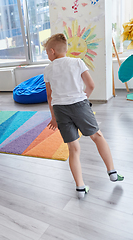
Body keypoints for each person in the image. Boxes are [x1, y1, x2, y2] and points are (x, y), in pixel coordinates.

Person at [43, 33, 124, 199]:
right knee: (97, 136)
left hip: (59, 109)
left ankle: (80, 188)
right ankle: (112, 172)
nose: (47, 55)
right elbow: (91, 85)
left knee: (73, 148)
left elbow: (50, 96)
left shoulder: (48, 69)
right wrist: (83, 99)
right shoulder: (77, 62)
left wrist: (53, 117)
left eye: (46, 52)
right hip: (79, 104)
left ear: (52, 51)